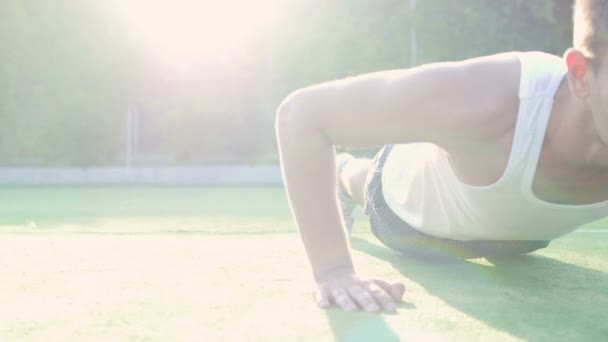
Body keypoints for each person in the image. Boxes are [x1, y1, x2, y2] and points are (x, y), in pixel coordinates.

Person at [275, 0, 608, 313]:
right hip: (408, 219)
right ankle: (346, 174)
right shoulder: (492, 100)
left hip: (521, 240)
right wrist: (333, 270)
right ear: (580, 75)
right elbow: (302, 115)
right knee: (367, 181)